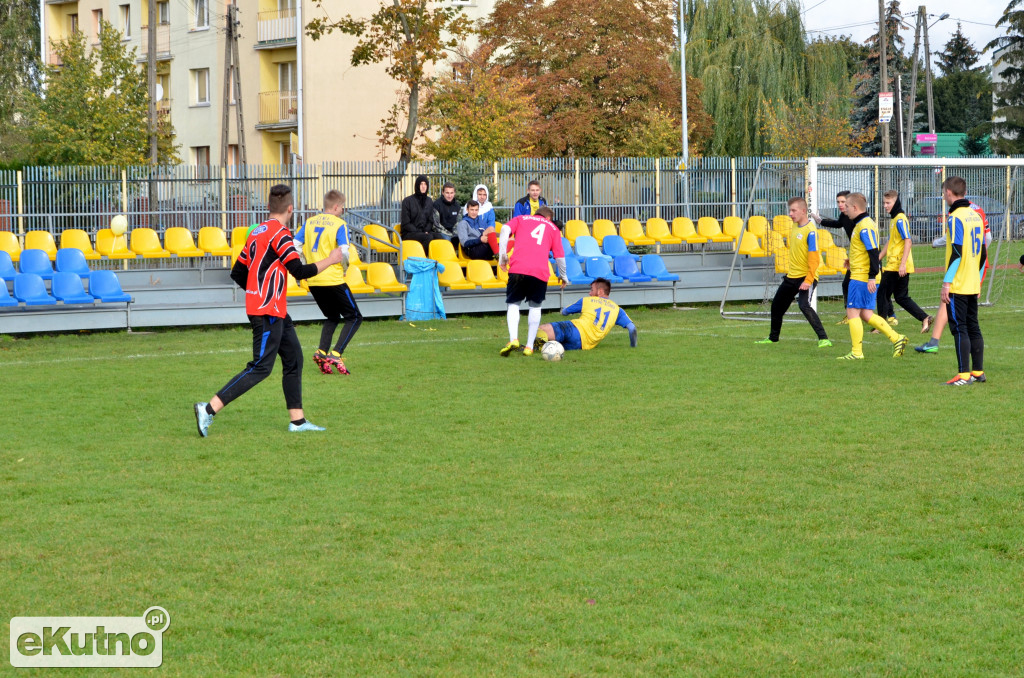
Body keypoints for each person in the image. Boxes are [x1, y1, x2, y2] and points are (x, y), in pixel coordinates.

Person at [194, 184, 345, 436]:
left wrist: (257, 292)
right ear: (290, 208)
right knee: (261, 367)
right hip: (267, 311)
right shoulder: (281, 234)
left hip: (273, 309)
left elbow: (238, 272)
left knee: (294, 359)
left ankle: (297, 422)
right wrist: (331, 259)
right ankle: (207, 409)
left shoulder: (256, 232)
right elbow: (299, 271)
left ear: (267, 207)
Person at [836, 192, 908, 360]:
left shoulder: (865, 225)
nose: (844, 209)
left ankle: (856, 352)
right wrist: (851, 260)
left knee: (852, 311)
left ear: (854, 207)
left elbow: (873, 252)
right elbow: (864, 250)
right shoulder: (861, 223)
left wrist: (870, 276)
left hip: (861, 277)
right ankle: (897, 338)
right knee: (866, 314)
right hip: (861, 273)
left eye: (846, 206)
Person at [754, 197, 831, 347]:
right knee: (776, 306)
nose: (790, 213)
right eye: (789, 210)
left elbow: (815, 259)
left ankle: (824, 339)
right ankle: (773, 338)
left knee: (804, 305)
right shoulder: (795, 226)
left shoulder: (811, 231)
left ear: (803, 211)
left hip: (806, 277)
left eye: (794, 210)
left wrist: (808, 280)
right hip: (791, 276)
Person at [916, 200, 991, 353]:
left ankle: (935, 343)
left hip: (962, 265)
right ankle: (977, 368)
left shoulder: (956, 213)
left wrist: (936, 242)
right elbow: (987, 238)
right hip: (978, 264)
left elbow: (953, 241)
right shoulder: (978, 211)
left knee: (952, 307)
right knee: (970, 315)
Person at [302, 189, 362, 376]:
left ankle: (321, 352)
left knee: (333, 317)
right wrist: (344, 268)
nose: (342, 210)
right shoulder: (339, 224)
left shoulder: (309, 222)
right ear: (336, 206)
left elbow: (295, 245)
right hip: (333, 279)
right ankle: (336, 354)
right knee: (354, 317)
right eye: (342, 207)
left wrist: (303, 265)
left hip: (314, 279)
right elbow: (344, 251)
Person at [498, 205, 569, 357]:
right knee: (535, 307)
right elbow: (560, 257)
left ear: (536, 214)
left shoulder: (521, 219)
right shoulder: (553, 228)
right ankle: (529, 346)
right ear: (548, 218)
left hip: (517, 268)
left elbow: (504, 230)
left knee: (513, 303)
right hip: (539, 272)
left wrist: (502, 257)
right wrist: (563, 276)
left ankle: (513, 339)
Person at [937, 176, 986, 385]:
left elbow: (956, 252)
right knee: (973, 326)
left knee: (959, 327)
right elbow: (983, 253)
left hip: (958, 283)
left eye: (943, 193)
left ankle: (964, 375)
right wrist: (979, 280)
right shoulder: (976, 216)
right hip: (973, 281)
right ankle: (978, 372)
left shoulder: (955, 217)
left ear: (949, 192)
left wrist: (946, 283)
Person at [876, 190, 932, 333]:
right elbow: (891, 241)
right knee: (901, 297)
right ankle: (924, 318)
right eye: (884, 202)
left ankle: (881, 326)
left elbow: (908, 241)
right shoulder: (895, 219)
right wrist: (879, 257)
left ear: (896, 202)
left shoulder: (900, 219)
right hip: (896, 264)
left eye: (888, 203)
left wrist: (902, 264)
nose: (885, 205)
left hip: (897, 265)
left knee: (882, 293)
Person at [534, 278, 638, 352]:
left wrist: (563, 310)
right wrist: (633, 347)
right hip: (583, 345)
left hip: (575, 330)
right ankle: (547, 348)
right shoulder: (617, 310)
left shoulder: (587, 300)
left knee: (541, 329)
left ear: (600, 291)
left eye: (592, 290)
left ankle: (533, 347)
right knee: (555, 344)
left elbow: (565, 312)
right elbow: (632, 329)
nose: (589, 293)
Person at [810, 190, 853, 322]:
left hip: (867, 256)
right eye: (838, 202)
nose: (840, 204)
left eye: (843, 202)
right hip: (857, 256)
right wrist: (820, 221)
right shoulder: (844, 216)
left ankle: (888, 315)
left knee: (878, 286)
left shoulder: (858, 218)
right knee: (847, 284)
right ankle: (850, 315)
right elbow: (837, 224)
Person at [401, 175, 445, 251]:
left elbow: (430, 221)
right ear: (417, 185)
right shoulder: (407, 201)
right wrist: (420, 232)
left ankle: (435, 260)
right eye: (421, 184)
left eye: (425, 184)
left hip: (424, 232)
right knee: (428, 237)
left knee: (439, 237)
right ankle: (422, 259)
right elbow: (406, 223)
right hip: (409, 233)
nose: (423, 187)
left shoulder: (429, 201)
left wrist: (426, 231)